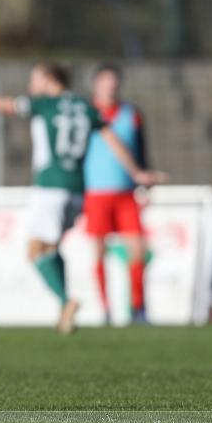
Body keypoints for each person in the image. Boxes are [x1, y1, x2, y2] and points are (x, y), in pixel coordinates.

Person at [0, 62, 162, 333]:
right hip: (78, 190)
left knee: (34, 250)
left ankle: (67, 300)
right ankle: (66, 310)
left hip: (50, 187)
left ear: (50, 80)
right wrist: (137, 173)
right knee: (51, 248)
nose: (32, 84)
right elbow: (114, 141)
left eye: (36, 78)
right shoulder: (87, 107)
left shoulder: (44, 104)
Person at [84, 64, 151, 324]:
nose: (110, 87)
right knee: (98, 250)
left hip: (125, 192)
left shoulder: (131, 114)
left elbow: (142, 149)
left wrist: (143, 181)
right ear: (96, 84)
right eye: (105, 81)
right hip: (96, 193)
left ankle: (138, 307)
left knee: (136, 249)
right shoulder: (87, 113)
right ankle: (106, 309)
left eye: (114, 82)